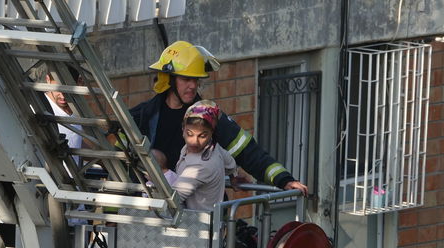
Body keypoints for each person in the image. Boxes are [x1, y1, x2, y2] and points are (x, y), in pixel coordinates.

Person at [129, 41, 309, 196]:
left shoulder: (207, 115)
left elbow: (248, 151)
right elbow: (122, 163)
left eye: (196, 80)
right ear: (169, 79)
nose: (193, 86)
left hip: (197, 210)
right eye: (186, 79)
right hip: (153, 208)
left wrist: (284, 179)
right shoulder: (143, 115)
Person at [164, 102, 238, 210]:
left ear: (212, 133)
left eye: (202, 136)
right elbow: (230, 162)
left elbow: (172, 200)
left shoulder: (200, 166)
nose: (195, 142)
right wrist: (234, 176)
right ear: (183, 128)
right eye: (190, 134)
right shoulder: (214, 147)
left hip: (199, 220)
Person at [44, 72, 84, 152]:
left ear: (79, 82)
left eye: (67, 90)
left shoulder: (76, 107)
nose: (62, 96)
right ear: (48, 79)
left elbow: (75, 141)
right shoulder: (39, 108)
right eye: (58, 89)